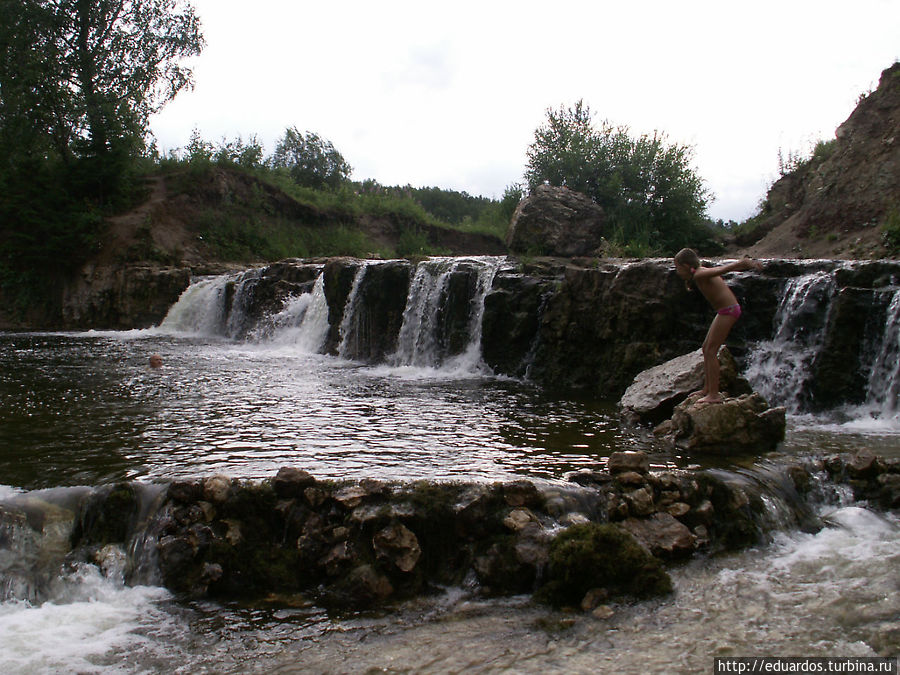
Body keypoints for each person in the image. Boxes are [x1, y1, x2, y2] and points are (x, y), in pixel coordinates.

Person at [673, 248, 762, 404]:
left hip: (729, 311)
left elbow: (722, 269)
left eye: (677, 267)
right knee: (706, 348)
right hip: (724, 311)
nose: (677, 272)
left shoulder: (700, 273)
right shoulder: (697, 275)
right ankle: (707, 389)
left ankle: (713, 395)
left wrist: (742, 263)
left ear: (686, 266)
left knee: (711, 350)